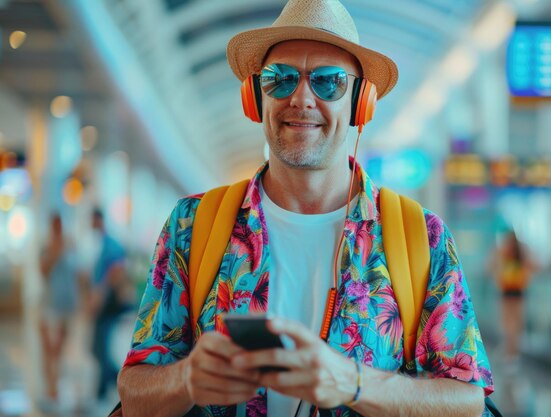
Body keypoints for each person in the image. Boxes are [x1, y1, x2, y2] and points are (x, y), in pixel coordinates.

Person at [117, 1, 494, 416]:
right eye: (280, 79)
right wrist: (186, 379)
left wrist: (353, 383)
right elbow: (135, 393)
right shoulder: (192, 226)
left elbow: (466, 401)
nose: (301, 98)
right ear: (255, 97)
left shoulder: (421, 236)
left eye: (328, 82)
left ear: (359, 102)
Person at [38, 213, 79, 409]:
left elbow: (77, 274)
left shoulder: (70, 245)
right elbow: (43, 271)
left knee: (60, 350)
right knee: (49, 349)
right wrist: (56, 252)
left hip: (67, 305)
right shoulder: (46, 247)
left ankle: (55, 389)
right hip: (50, 305)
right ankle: (50, 389)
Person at [90, 208, 129, 402]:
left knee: (100, 346)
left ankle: (112, 385)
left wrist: (101, 293)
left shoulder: (110, 244)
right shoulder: (102, 243)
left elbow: (117, 270)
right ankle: (108, 385)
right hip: (104, 302)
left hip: (108, 304)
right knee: (98, 346)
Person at [489, 230, 533, 363]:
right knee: (515, 324)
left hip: (508, 291)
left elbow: (491, 266)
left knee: (509, 324)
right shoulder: (520, 253)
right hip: (517, 291)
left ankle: (510, 351)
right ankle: (513, 351)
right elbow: (531, 267)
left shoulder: (505, 252)